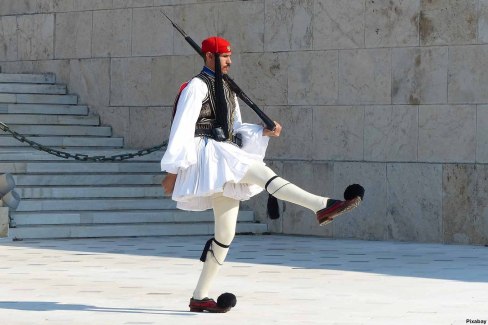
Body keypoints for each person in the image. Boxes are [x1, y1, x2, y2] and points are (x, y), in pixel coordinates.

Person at [160, 36, 364, 313]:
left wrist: (261, 130)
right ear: (208, 57)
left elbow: (235, 127)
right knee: (261, 173)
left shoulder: (227, 87)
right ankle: (321, 205)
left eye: (230, 56)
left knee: (225, 234)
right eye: (224, 57)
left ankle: (200, 297)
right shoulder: (196, 87)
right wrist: (173, 171)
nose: (230, 61)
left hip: (224, 153)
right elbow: (182, 128)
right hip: (207, 155)